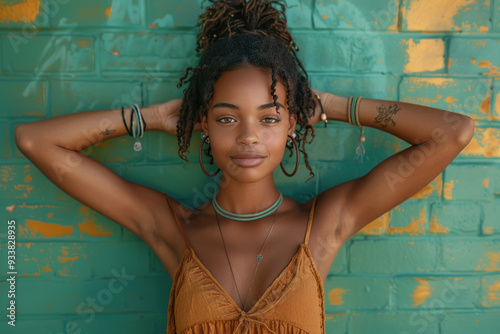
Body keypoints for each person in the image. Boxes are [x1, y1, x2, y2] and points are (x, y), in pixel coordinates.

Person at [15, 0, 474, 333]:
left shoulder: (324, 225)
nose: (249, 136)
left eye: (270, 117)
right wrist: (151, 118)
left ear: (293, 123)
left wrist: (333, 105)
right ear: (204, 126)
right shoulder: (173, 228)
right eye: (227, 117)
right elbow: (35, 140)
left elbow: (452, 132)